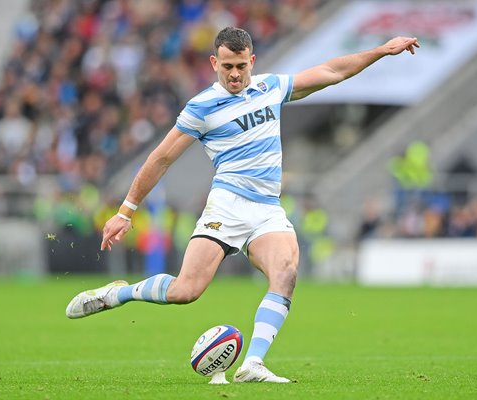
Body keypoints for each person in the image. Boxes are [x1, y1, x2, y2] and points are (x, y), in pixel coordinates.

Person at [66, 27, 419, 383]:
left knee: (286, 272)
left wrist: (381, 51)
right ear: (214, 63)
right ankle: (118, 293)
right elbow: (160, 158)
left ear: (252, 61)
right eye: (227, 67)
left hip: (267, 209)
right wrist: (126, 212)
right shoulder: (202, 107)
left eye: (240, 66)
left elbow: (332, 71)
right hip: (226, 207)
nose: (234, 74)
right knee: (185, 291)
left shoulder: (270, 88)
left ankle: (252, 364)